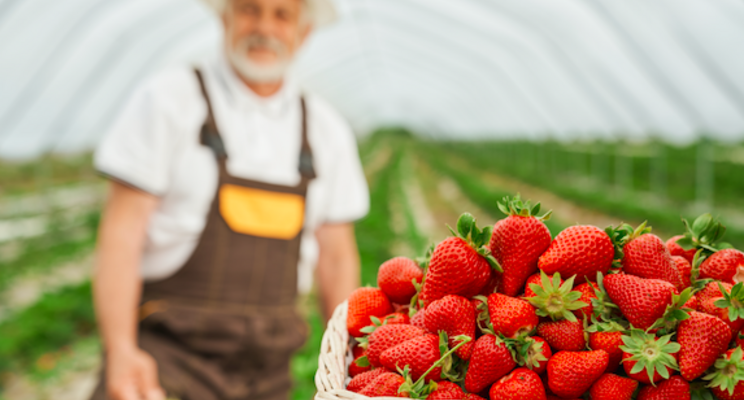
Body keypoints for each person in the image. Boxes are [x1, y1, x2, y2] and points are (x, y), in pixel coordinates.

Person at [88, 0, 369, 398]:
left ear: (304, 32)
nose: (265, 27)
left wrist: (349, 366)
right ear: (226, 17)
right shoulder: (169, 101)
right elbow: (122, 233)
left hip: (270, 375)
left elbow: (337, 257)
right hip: (167, 362)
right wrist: (120, 350)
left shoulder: (326, 130)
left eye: (282, 14)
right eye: (250, 9)